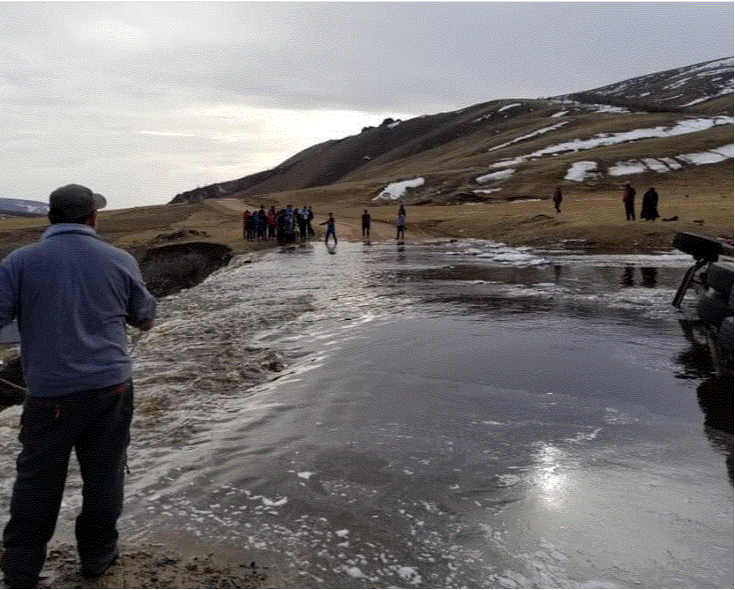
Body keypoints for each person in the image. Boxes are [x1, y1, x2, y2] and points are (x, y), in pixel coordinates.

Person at [0, 184, 157, 588]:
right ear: (92, 218)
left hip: (49, 394)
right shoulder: (119, 259)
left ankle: (20, 571)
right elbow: (145, 316)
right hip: (112, 389)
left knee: (37, 481)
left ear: (51, 217)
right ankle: (97, 558)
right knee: (105, 474)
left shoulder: (19, 261)